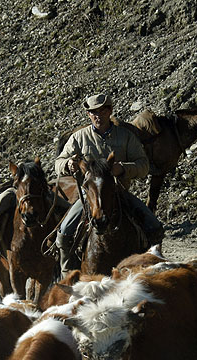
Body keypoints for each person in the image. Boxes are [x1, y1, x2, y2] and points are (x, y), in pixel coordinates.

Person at [54, 93, 164, 276]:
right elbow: (59, 163)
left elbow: (144, 165)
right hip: (89, 196)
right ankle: (68, 275)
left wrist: (123, 169)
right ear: (88, 115)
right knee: (64, 234)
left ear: (110, 111)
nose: (97, 116)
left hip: (119, 193)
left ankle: (152, 272)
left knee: (154, 228)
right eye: (93, 112)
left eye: (102, 111)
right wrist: (68, 164)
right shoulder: (79, 137)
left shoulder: (126, 137)